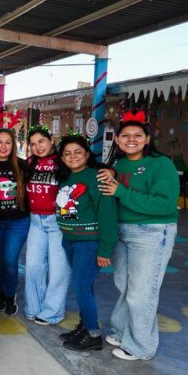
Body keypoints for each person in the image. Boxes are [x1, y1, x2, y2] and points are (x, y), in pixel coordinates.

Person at [97, 110, 179, 361]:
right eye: (125, 135)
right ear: (118, 140)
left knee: (142, 292)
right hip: (124, 231)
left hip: (151, 232)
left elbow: (165, 205)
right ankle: (123, 331)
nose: (131, 139)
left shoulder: (160, 164)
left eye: (137, 135)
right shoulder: (118, 165)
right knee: (124, 285)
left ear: (146, 139)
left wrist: (121, 191)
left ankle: (141, 346)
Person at [55, 132, 117, 351]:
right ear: (62, 157)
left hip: (88, 243)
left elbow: (107, 214)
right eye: (67, 153)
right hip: (70, 241)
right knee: (85, 286)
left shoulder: (96, 176)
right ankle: (84, 325)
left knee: (80, 286)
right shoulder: (66, 178)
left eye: (78, 152)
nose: (73, 156)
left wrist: (106, 249)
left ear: (87, 154)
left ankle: (93, 334)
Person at [24, 125, 69, 326]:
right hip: (36, 220)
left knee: (58, 269)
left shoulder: (63, 161)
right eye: (33, 144)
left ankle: (52, 312)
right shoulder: (30, 163)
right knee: (33, 266)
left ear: (51, 139)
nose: (38, 147)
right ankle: (34, 308)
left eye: (41, 141)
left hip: (57, 221)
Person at [0, 128, 29, 316]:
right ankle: (1, 293)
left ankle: (10, 295)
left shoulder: (22, 165)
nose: (3, 146)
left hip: (17, 222)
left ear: (13, 145)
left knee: (10, 261)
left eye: (7, 142)